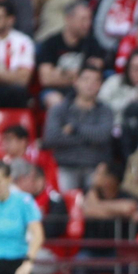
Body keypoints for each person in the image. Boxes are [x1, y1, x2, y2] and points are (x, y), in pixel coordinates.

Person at [42, 63, 113, 191]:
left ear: (101, 85)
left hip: (94, 166)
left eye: (96, 80)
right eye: (86, 79)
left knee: (95, 198)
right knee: (62, 203)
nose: (90, 84)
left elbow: (103, 136)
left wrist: (75, 129)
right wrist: (90, 139)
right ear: (76, 81)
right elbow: (51, 138)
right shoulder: (59, 109)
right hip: (65, 165)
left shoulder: (106, 110)